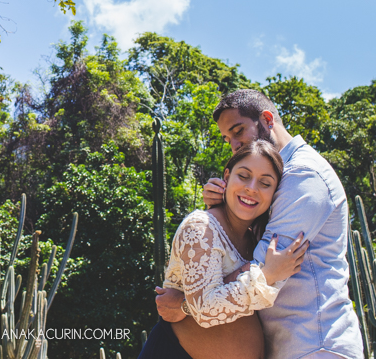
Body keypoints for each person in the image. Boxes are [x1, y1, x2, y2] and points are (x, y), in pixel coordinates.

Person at [155, 89, 363, 359]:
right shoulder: (282, 174)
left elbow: (269, 264)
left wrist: (187, 302)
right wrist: (223, 206)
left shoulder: (303, 176)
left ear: (267, 120)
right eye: (227, 139)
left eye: (238, 131)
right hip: (292, 344)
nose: (234, 145)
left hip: (314, 341)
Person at [139, 139, 308, 359]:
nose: (251, 188)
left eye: (265, 183)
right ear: (227, 177)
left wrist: (182, 305)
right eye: (244, 176)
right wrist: (267, 276)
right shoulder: (201, 227)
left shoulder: (256, 240)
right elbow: (205, 309)